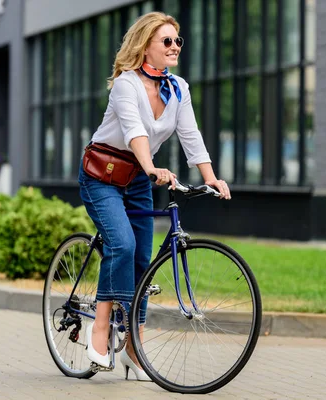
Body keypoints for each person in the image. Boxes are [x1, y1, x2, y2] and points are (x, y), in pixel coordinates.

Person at [78, 11, 231, 380]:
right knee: (123, 246)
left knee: (143, 262)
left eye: (178, 41)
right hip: (104, 174)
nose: (175, 46)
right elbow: (134, 132)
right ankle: (98, 328)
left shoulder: (178, 88)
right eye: (167, 41)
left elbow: (190, 135)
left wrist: (211, 178)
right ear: (146, 46)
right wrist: (150, 167)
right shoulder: (125, 85)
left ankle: (134, 346)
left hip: (139, 181)